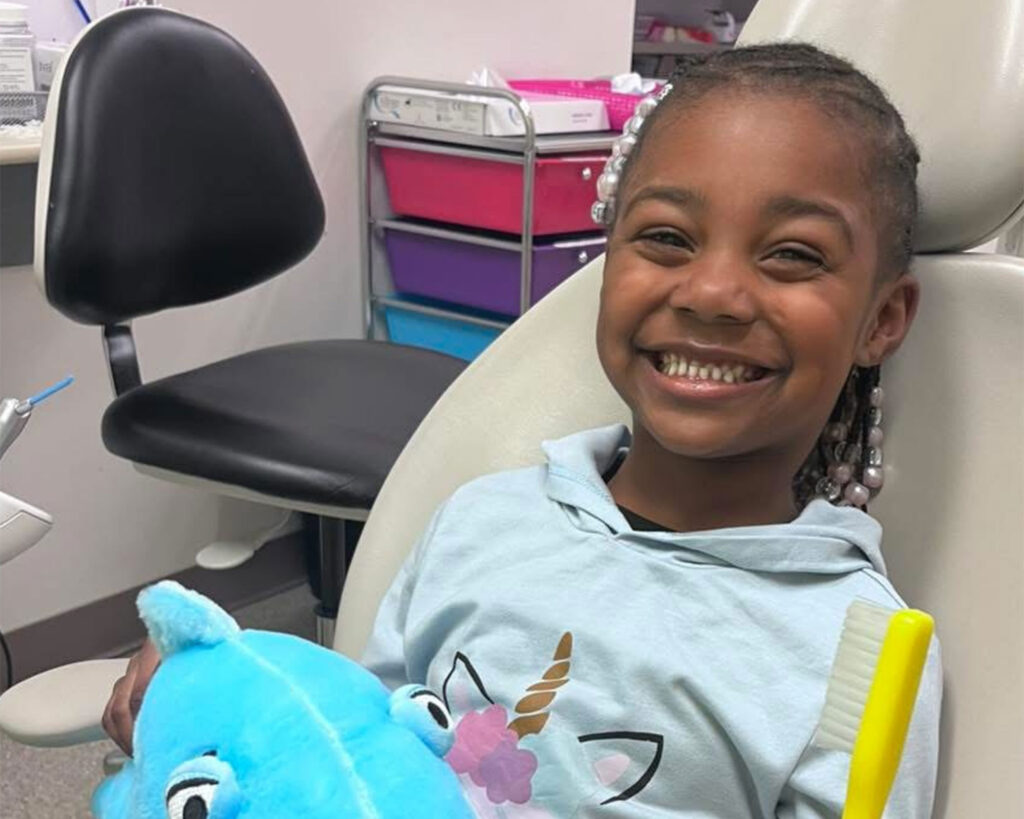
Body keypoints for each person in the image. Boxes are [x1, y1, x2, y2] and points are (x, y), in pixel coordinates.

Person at [104, 43, 941, 817]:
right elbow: (353, 743)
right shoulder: (483, 519)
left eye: (793, 254)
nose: (712, 292)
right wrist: (217, 688)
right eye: (666, 237)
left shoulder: (854, 649)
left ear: (882, 319)